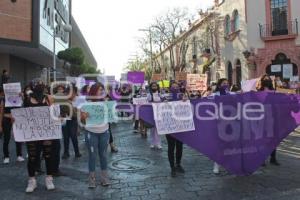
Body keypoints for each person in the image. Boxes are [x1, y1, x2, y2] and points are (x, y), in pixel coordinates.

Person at [21, 80, 56, 193]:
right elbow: (23, 114)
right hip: (32, 133)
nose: (40, 87)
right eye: (37, 85)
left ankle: (49, 179)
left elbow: (54, 113)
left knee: (48, 155)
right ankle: (32, 180)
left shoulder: (48, 98)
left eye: (41, 86)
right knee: (32, 157)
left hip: (46, 132)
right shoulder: (27, 99)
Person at [81, 83, 111, 188]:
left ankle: (104, 178)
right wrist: (83, 116)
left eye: (102, 89)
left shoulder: (106, 103)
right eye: (99, 90)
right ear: (94, 91)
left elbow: (111, 117)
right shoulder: (86, 104)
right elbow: (82, 121)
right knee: (92, 156)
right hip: (91, 132)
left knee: (103, 155)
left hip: (104, 132)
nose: (101, 91)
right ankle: (92, 179)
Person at [257, 74, 280, 166]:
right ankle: (262, 159)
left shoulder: (274, 91)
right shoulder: (258, 92)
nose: (267, 81)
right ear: (261, 81)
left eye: (268, 79)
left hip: (273, 117)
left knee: (273, 139)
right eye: (265, 79)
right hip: (261, 118)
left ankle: (273, 158)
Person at [166, 81, 186, 177]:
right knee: (171, 147)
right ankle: (172, 167)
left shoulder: (182, 96)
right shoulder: (165, 97)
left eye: (176, 87)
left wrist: (186, 101)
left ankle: (178, 164)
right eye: (173, 87)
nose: (175, 88)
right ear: (170, 88)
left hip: (180, 125)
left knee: (179, 146)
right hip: (169, 126)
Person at [0, 87, 24, 164]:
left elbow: (23, 105)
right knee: (6, 138)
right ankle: (6, 156)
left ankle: (19, 155)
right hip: (6, 119)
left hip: (16, 119)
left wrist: (22, 96)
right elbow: (1, 112)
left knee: (18, 137)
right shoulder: (3, 100)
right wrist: (0, 124)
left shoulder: (18, 97)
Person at [212, 78, 231, 174]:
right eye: (224, 83)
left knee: (229, 145)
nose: (226, 84)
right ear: (219, 85)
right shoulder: (214, 95)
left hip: (231, 123)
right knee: (219, 145)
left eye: (227, 83)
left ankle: (228, 164)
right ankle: (217, 164)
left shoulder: (232, 94)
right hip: (219, 122)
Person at [61, 85, 82, 159]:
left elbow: (78, 113)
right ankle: (66, 152)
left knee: (74, 137)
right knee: (66, 137)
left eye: (73, 92)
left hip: (73, 120)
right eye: (69, 92)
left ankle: (77, 152)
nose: (71, 94)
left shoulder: (78, 101)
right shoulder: (63, 100)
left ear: (75, 93)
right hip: (65, 121)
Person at [147, 82, 164, 150]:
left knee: (158, 129)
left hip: (159, 113)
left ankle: (158, 143)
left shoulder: (160, 94)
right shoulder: (149, 95)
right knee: (152, 129)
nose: (154, 87)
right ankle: (152, 143)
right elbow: (147, 103)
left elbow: (164, 100)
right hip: (152, 113)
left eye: (155, 86)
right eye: (153, 86)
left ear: (157, 87)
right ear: (151, 87)